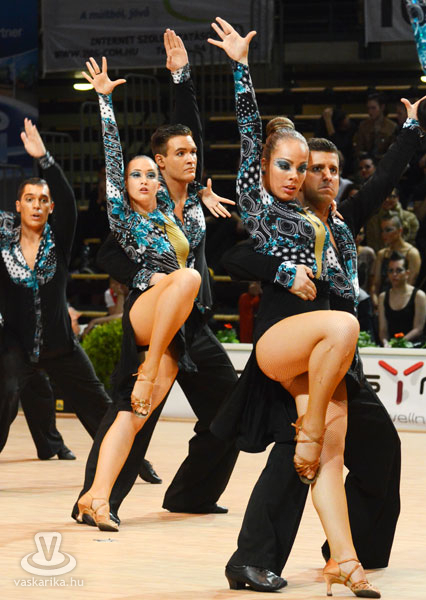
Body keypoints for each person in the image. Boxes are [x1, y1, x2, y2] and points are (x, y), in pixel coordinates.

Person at [217, 88, 425, 591]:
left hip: (338, 355)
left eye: (333, 169)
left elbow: (385, 180)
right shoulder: (277, 217)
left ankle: (352, 553)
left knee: (377, 447)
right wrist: (283, 272)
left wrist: (410, 130)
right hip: (296, 345)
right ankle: (252, 559)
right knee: (298, 451)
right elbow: (234, 257)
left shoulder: (341, 221)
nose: (325, 176)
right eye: (315, 169)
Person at [207, 18, 382, 597]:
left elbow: (340, 285)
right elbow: (248, 130)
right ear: (263, 167)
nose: (294, 175)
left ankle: (345, 561)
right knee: (342, 329)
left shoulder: (318, 220)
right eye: (284, 164)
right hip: (284, 338)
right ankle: (306, 429)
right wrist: (240, 68)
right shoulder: (261, 206)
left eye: (302, 167)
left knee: (327, 455)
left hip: (323, 351)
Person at [75, 38, 238, 530]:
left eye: (193, 154)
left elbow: (186, 138)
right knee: (133, 409)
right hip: (156, 311)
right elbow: (134, 153)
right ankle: (96, 499)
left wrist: (182, 74)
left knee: (228, 410)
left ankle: (191, 493)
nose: (190, 158)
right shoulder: (145, 198)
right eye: (177, 156)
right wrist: (105, 100)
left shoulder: (189, 198)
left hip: (194, 323)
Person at [0, 120, 111, 458]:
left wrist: (44, 158)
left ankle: (133, 461)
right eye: (29, 199)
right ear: (17, 206)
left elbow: (66, 196)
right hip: (15, 343)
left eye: (43, 200)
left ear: (50, 208)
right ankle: (50, 445)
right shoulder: (3, 237)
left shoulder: (59, 239)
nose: (36, 205)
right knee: (7, 391)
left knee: (96, 401)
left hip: (61, 344)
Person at [372, 213, 421, 306]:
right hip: (382, 301)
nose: (384, 234)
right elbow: (376, 284)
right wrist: (376, 302)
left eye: (388, 230)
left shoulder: (412, 253)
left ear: (399, 230)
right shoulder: (382, 254)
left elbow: (410, 283)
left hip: (405, 302)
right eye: (382, 230)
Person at [378, 251, 426, 346]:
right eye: (391, 271)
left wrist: (398, 343)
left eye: (399, 270)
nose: (394, 274)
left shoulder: (419, 296)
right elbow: (383, 329)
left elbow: (418, 329)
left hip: (414, 346)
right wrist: (385, 343)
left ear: (407, 273)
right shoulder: (383, 297)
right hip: (390, 346)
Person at [365, 187, 419, 251]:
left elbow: (411, 240)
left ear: (398, 198)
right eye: (384, 196)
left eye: (391, 196)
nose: (387, 200)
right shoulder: (373, 220)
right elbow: (372, 243)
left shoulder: (410, 218)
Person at [354, 92, 397, 160]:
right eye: (368, 108)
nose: (370, 112)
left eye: (373, 108)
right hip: (367, 161)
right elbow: (359, 149)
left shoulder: (392, 127)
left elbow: (393, 151)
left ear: (382, 107)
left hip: (385, 161)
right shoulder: (363, 126)